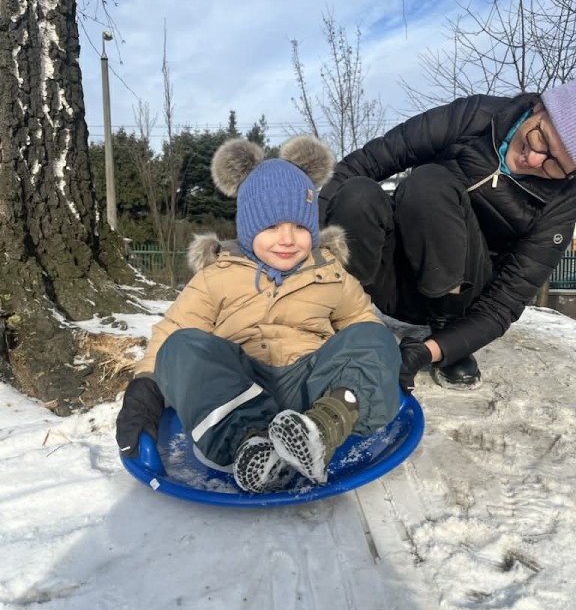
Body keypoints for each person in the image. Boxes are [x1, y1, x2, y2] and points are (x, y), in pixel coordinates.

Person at [116, 135, 401, 494]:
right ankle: (249, 443)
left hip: (311, 390)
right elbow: (173, 330)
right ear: (248, 229)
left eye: (299, 227)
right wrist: (144, 392)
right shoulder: (218, 275)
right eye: (271, 227)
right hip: (238, 389)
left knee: (374, 335)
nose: (287, 239)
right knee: (181, 346)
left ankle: (320, 429)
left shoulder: (328, 272)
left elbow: (361, 324)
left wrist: (379, 365)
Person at [318, 81, 576, 392]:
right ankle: (342, 315)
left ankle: (447, 331)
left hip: (459, 300)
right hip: (390, 279)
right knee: (357, 194)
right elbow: (369, 160)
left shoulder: (562, 202)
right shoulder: (477, 116)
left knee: (431, 184)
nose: (535, 160)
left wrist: (431, 350)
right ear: (538, 107)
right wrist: (307, 230)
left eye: (556, 165)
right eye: (541, 138)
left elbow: (505, 303)